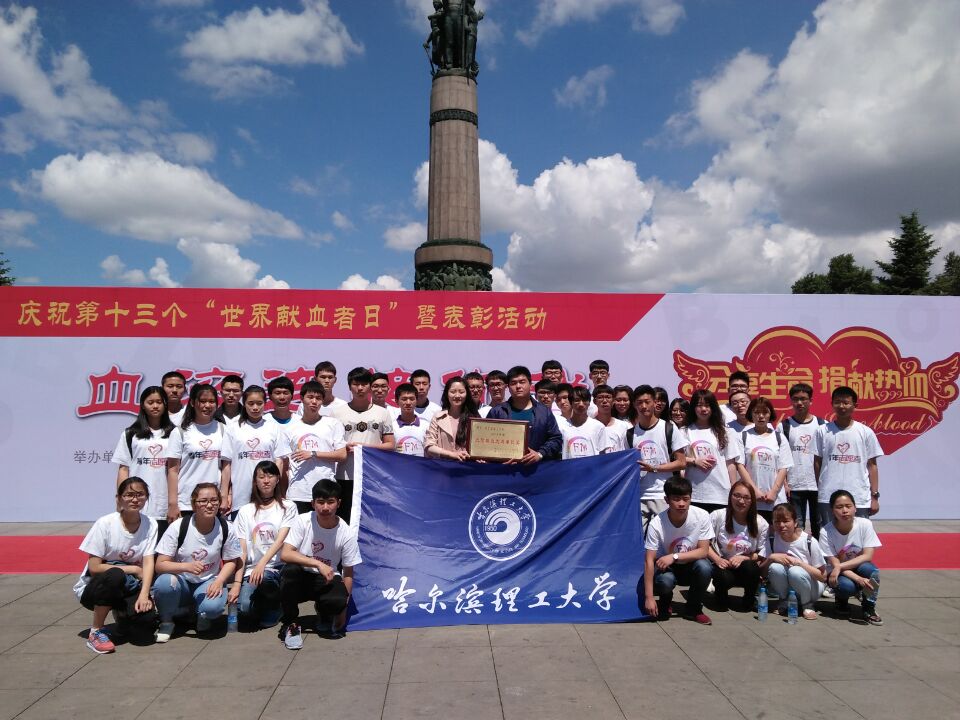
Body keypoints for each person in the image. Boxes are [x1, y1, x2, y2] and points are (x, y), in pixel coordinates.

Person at [73, 477, 158, 653]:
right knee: (115, 574)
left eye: (140, 494)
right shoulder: (105, 523)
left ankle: (122, 616)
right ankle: (96, 632)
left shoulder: (151, 524)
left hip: (128, 586)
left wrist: (144, 595)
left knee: (146, 622)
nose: (135, 499)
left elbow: (149, 562)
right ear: (118, 498)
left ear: (147, 497)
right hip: (95, 589)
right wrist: (133, 569)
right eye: (129, 495)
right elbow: (94, 568)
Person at [152, 483, 242, 642]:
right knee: (164, 583)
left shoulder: (226, 527)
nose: (209, 505)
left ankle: (201, 614)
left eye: (214, 500)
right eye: (203, 501)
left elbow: (231, 561)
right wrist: (186, 567)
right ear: (194, 505)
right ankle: (166, 621)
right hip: (182, 582)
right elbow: (160, 564)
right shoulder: (179, 526)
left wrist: (219, 580)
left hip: (207, 581)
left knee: (213, 607)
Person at [279, 480, 361, 649]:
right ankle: (291, 623)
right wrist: (318, 564)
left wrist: (343, 610)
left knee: (337, 600)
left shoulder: (346, 533)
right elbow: (286, 554)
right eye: (320, 502)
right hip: (301, 577)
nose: (325, 507)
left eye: (330, 502)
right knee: (289, 572)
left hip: (326, 579)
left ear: (339, 503)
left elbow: (348, 573)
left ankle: (325, 611)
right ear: (313, 503)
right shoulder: (303, 520)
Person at [640, 475, 714, 625]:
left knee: (705, 567)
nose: (681, 504)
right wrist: (649, 597)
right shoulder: (656, 523)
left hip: (690, 564)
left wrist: (674, 556)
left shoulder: (702, 515)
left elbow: (703, 551)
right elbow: (648, 560)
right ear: (666, 500)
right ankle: (665, 602)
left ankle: (694, 608)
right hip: (665, 567)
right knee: (665, 581)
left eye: (686, 499)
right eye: (676, 499)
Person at [233, 461, 297, 628]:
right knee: (244, 609)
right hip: (252, 570)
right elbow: (242, 550)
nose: (266, 481)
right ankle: (264, 601)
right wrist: (237, 583)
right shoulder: (245, 511)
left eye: (270, 476)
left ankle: (275, 606)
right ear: (255, 481)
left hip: (277, 567)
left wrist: (262, 564)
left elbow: (281, 540)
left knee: (266, 579)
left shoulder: (288, 507)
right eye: (261, 477)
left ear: (277, 479)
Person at [815, 386, 883, 529]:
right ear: (832, 404)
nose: (841, 406)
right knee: (829, 535)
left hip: (859, 496)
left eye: (846, 403)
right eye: (837, 402)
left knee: (859, 535)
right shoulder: (822, 431)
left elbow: (872, 465)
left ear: (854, 405)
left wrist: (874, 496)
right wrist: (820, 488)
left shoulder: (865, 432)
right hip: (828, 496)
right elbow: (817, 462)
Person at [333, 368, 395, 521]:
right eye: (356, 384)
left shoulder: (382, 413)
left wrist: (363, 447)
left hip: (372, 476)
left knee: (372, 520)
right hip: (345, 475)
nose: (360, 388)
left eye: (364, 384)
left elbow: (390, 445)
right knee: (345, 519)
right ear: (349, 386)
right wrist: (343, 448)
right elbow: (331, 446)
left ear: (370, 387)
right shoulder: (336, 413)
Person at [112, 385, 175, 537]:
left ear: (165, 404)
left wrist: (174, 502)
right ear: (143, 405)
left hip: (164, 501)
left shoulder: (175, 433)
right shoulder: (131, 434)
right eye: (150, 402)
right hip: (137, 501)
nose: (155, 406)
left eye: (159, 402)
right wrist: (121, 499)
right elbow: (124, 468)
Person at [279, 381, 348, 514]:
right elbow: (285, 465)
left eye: (318, 398)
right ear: (302, 399)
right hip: (298, 493)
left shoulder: (333, 424)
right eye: (310, 397)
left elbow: (342, 455)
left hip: (325, 492)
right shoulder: (290, 428)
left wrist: (313, 453)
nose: (314, 402)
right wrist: (283, 493)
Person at [630, 385, 688, 537]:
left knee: (664, 540)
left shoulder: (668, 428)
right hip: (638, 496)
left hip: (663, 494)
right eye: (639, 402)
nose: (643, 406)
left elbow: (681, 462)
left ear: (654, 403)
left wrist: (654, 468)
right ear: (634, 405)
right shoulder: (629, 434)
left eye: (647, 401)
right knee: (638, 540)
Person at [820, 489, 883, 625]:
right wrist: (857, 579)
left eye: (848, 506)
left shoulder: (865, 524)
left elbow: (867, 556)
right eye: (839, 507)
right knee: (846, 587)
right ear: (832, 511)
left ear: (855, 508)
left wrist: (840, 566)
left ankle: (869, 607)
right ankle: (841, 600)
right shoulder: (825, 532)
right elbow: (834, 564)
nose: (844, 511)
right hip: (839, 573)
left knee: (872, 571)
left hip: (853, 566)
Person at [164, 383, 224, 524]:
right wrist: (173, 503)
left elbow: (226, 467)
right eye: (202, 401)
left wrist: (226, 495)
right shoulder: (180, 432)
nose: (207, 405)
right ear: (192, 403)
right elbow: (172, 470)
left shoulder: (223, 429)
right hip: (186, 502)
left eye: (211, 401)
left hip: (213, 502)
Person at [707, 481, 768, 612]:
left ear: (752, 501)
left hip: (745, 567)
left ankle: (749, 599)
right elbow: (703, 544)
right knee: (722, 578)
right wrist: (717, 560)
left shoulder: (761, 523)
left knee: (751, 568)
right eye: (737, 496)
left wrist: (744, 558)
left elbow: (762, 553)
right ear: (730, 496)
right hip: (723, 564)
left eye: (746, 497)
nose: (741, 501)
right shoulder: (718, 516)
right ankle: (721, 597)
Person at [220, 385, 280, 518]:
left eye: (259, 403)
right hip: (241, 496)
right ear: (244, 404)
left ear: (265, 403)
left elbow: (279, 461)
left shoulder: (273, 427)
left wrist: (277, 489)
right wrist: (224, 495)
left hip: (268, 495)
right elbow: (226, 465)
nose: (255, 407)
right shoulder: (233, 428)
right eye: (251, 403)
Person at [761, 502, 826, 620]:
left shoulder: (809, 541)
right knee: (775, 567)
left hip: (811, 587)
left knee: (795, 571)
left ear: (795, 522)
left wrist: (800, 563)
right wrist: (771, 558)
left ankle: (807, 604)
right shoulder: (772, 539)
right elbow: (763, 572)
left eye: (786, 521)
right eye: (777, 521)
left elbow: (822, 576)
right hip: (789, 586)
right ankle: (784, 600)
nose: (781, 525)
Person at [486, 365, 562, 462]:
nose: (518, 386)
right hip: (505, 468)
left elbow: (556, 439)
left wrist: (540, 454)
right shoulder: (497, 411)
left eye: (522, 382)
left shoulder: (544, 411)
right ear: (508, 387)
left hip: (536, 468)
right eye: (513, 383)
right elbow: (486, 439)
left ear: (530, 384)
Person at [683, 389, 742, 513]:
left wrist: (733, 487)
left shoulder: (725, 432)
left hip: (720, 494)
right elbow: (677, 459)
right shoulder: (685, 431)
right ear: (693, 408)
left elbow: (730, 463)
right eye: (699, 405)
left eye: (707, 405)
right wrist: (694, 461)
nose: (704, 409)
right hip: (694, 493)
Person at [782, 383, 824, 539]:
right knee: (797, 525)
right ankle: (799, 554)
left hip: (818, 485)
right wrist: (785, 483)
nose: (799, 403)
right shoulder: (784, 426)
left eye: (803, 399)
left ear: (810, 401)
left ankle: (820, 553)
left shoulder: (822, 425)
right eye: (795, 399)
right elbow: (781, 458)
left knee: (819, 524)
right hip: (794, 485)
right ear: (791, 401)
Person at [740, 397, 793, 522]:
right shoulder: (743, 436)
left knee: (777, 530)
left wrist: (773, 492)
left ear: (770, 414)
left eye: (765, 412)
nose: (761, 416)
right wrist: (754, 491)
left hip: (775, 499)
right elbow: (740, 466)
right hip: (751, 499)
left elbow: (783, 468)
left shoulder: (779, 438)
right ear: (751, 414)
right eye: (757, 412)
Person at [425, 376, 480, 461]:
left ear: (467, 394)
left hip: (467, 466)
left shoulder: (474, 418)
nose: (457, 395)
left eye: (461, 392)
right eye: (453, 392)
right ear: (447, 394)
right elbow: (429, 446)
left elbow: (480, 446)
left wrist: (479, 456)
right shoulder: (438, 417)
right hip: (444, 467)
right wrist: (451, 454)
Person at [560, 386, 610, 458]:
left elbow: (603, 455)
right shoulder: (562, 426)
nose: (581, 404)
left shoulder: (598, 427)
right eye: (577, 400)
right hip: (569, 465)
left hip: (592, 465)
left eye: (584, 400)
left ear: (589, 403)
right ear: (571, 403)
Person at [593, 384, 629, 452]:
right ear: (594, 401)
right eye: (600, 397)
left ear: (613, 401)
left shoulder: (625, 426)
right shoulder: (589, 426)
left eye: (608, 397)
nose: (604, 401)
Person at [394, 383, 428, 456]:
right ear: (396, 401)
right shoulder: (391, 426)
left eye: (412, 399)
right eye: (404, 399)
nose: (408, 403)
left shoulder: (426, 425)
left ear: (417, 400)